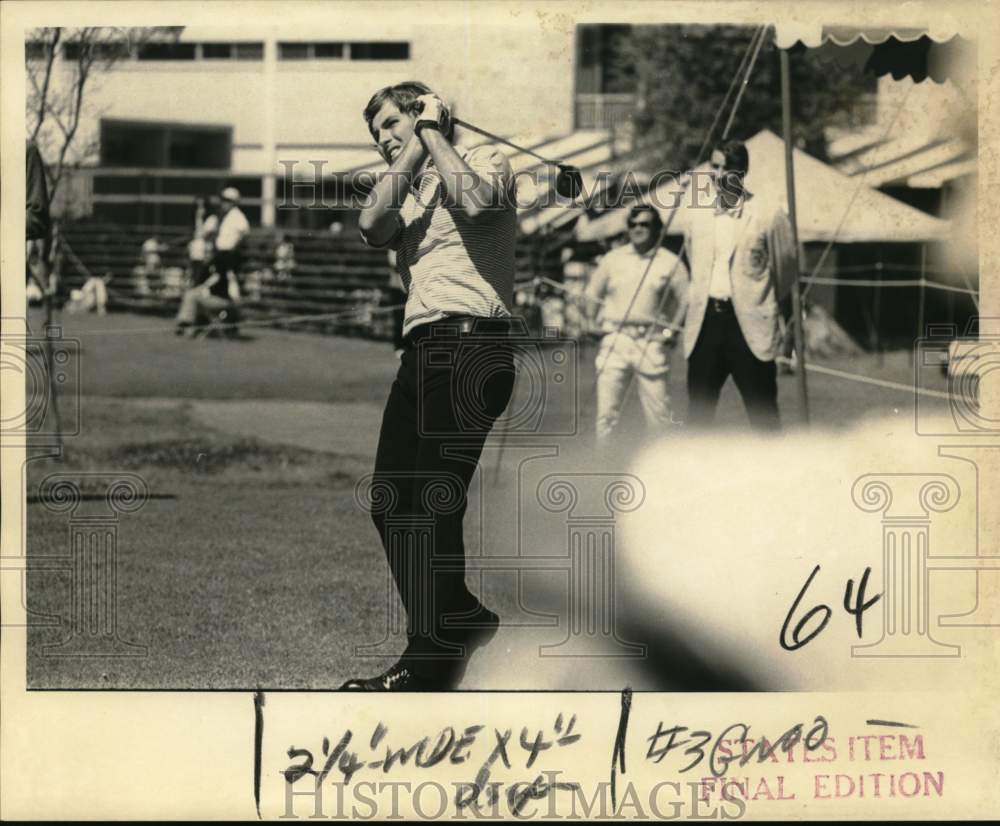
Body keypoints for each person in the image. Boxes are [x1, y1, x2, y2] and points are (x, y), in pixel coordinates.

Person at [342, 81, 517, 691]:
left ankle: (429, 657)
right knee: (392, 501)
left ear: (425, 115)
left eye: (392, 124)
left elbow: (473, 203)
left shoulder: (487, 162)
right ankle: (460, 618)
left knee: (431, 504)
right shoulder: (406, 188)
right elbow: (370, 225)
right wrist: (415, 146)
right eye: (377, 134)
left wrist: (434, 133)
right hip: (420, 353)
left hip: (474, 347)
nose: (384, 140)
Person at [682, 139, 796, 431]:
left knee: (764, 419)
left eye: (728, 168)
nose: (720, 175)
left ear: (742, 171)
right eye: (715, 167)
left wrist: (759, 303)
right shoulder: (697, 213)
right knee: (698, 419)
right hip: (706, 324)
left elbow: (785, 271)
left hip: (750, 328)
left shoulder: (768, 214)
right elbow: (695, 264)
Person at [584, 204, 689, 440]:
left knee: (660, 415)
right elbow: (591, 293)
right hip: (615, 338)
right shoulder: (612, 259)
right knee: (607, 415)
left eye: (645, 224)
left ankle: (660, 472)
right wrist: (590, 321)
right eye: (633, 224)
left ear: (657, 228)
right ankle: (604, 468)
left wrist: (670, 332)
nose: (638, 229)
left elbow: (687, 299)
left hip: (651, 341)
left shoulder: (670, 262)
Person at [175, 187, 248, 336]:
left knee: (195, 293)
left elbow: (234, 240)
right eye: (223, 200)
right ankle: (192, 324)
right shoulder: (223, 218)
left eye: (227, 201)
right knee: (196, 291)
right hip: (221, 262)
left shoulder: (237, 219)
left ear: (233, 202)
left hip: (226, 264)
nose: (223, 203)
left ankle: (187, 325)